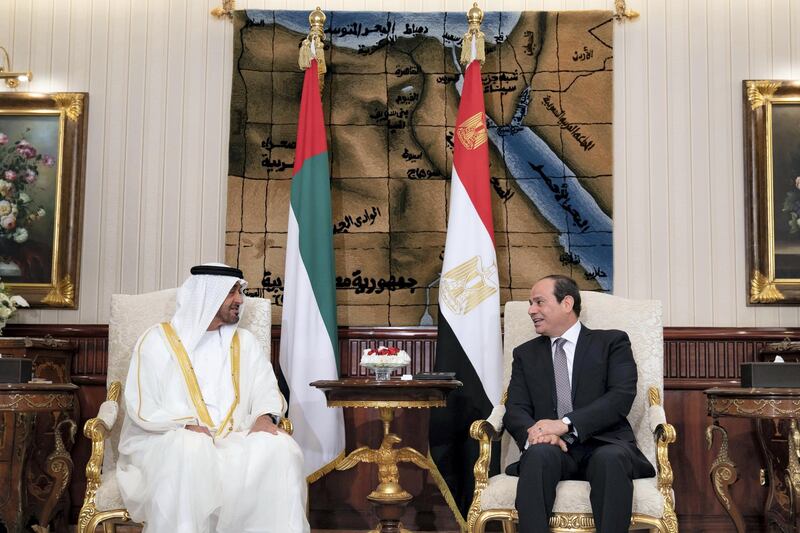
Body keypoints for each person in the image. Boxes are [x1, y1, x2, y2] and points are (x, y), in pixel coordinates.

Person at [116, 263, 310, 533]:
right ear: (208, 294)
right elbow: (142, 402)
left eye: (240, 292)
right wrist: (184, 425)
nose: (240, 300)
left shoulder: (245, 342)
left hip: (234, 437)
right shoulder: (157, 341)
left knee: (282, 449)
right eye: (232, 293)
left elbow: (265, 387)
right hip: (167, 441)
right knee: (191, 449)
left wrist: (264, 417)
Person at [503, 275, 655, 533]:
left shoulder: (612, 343)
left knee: (611, 459)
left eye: (539, 302)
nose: (531, 310)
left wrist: (564, 425)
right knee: (537, 455)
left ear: (567, 303)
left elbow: (620, 398)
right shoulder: (525, 354)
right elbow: (515, 408)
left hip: (605, 442)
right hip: (550, 450)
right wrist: (538, 435)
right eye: (530, 303)